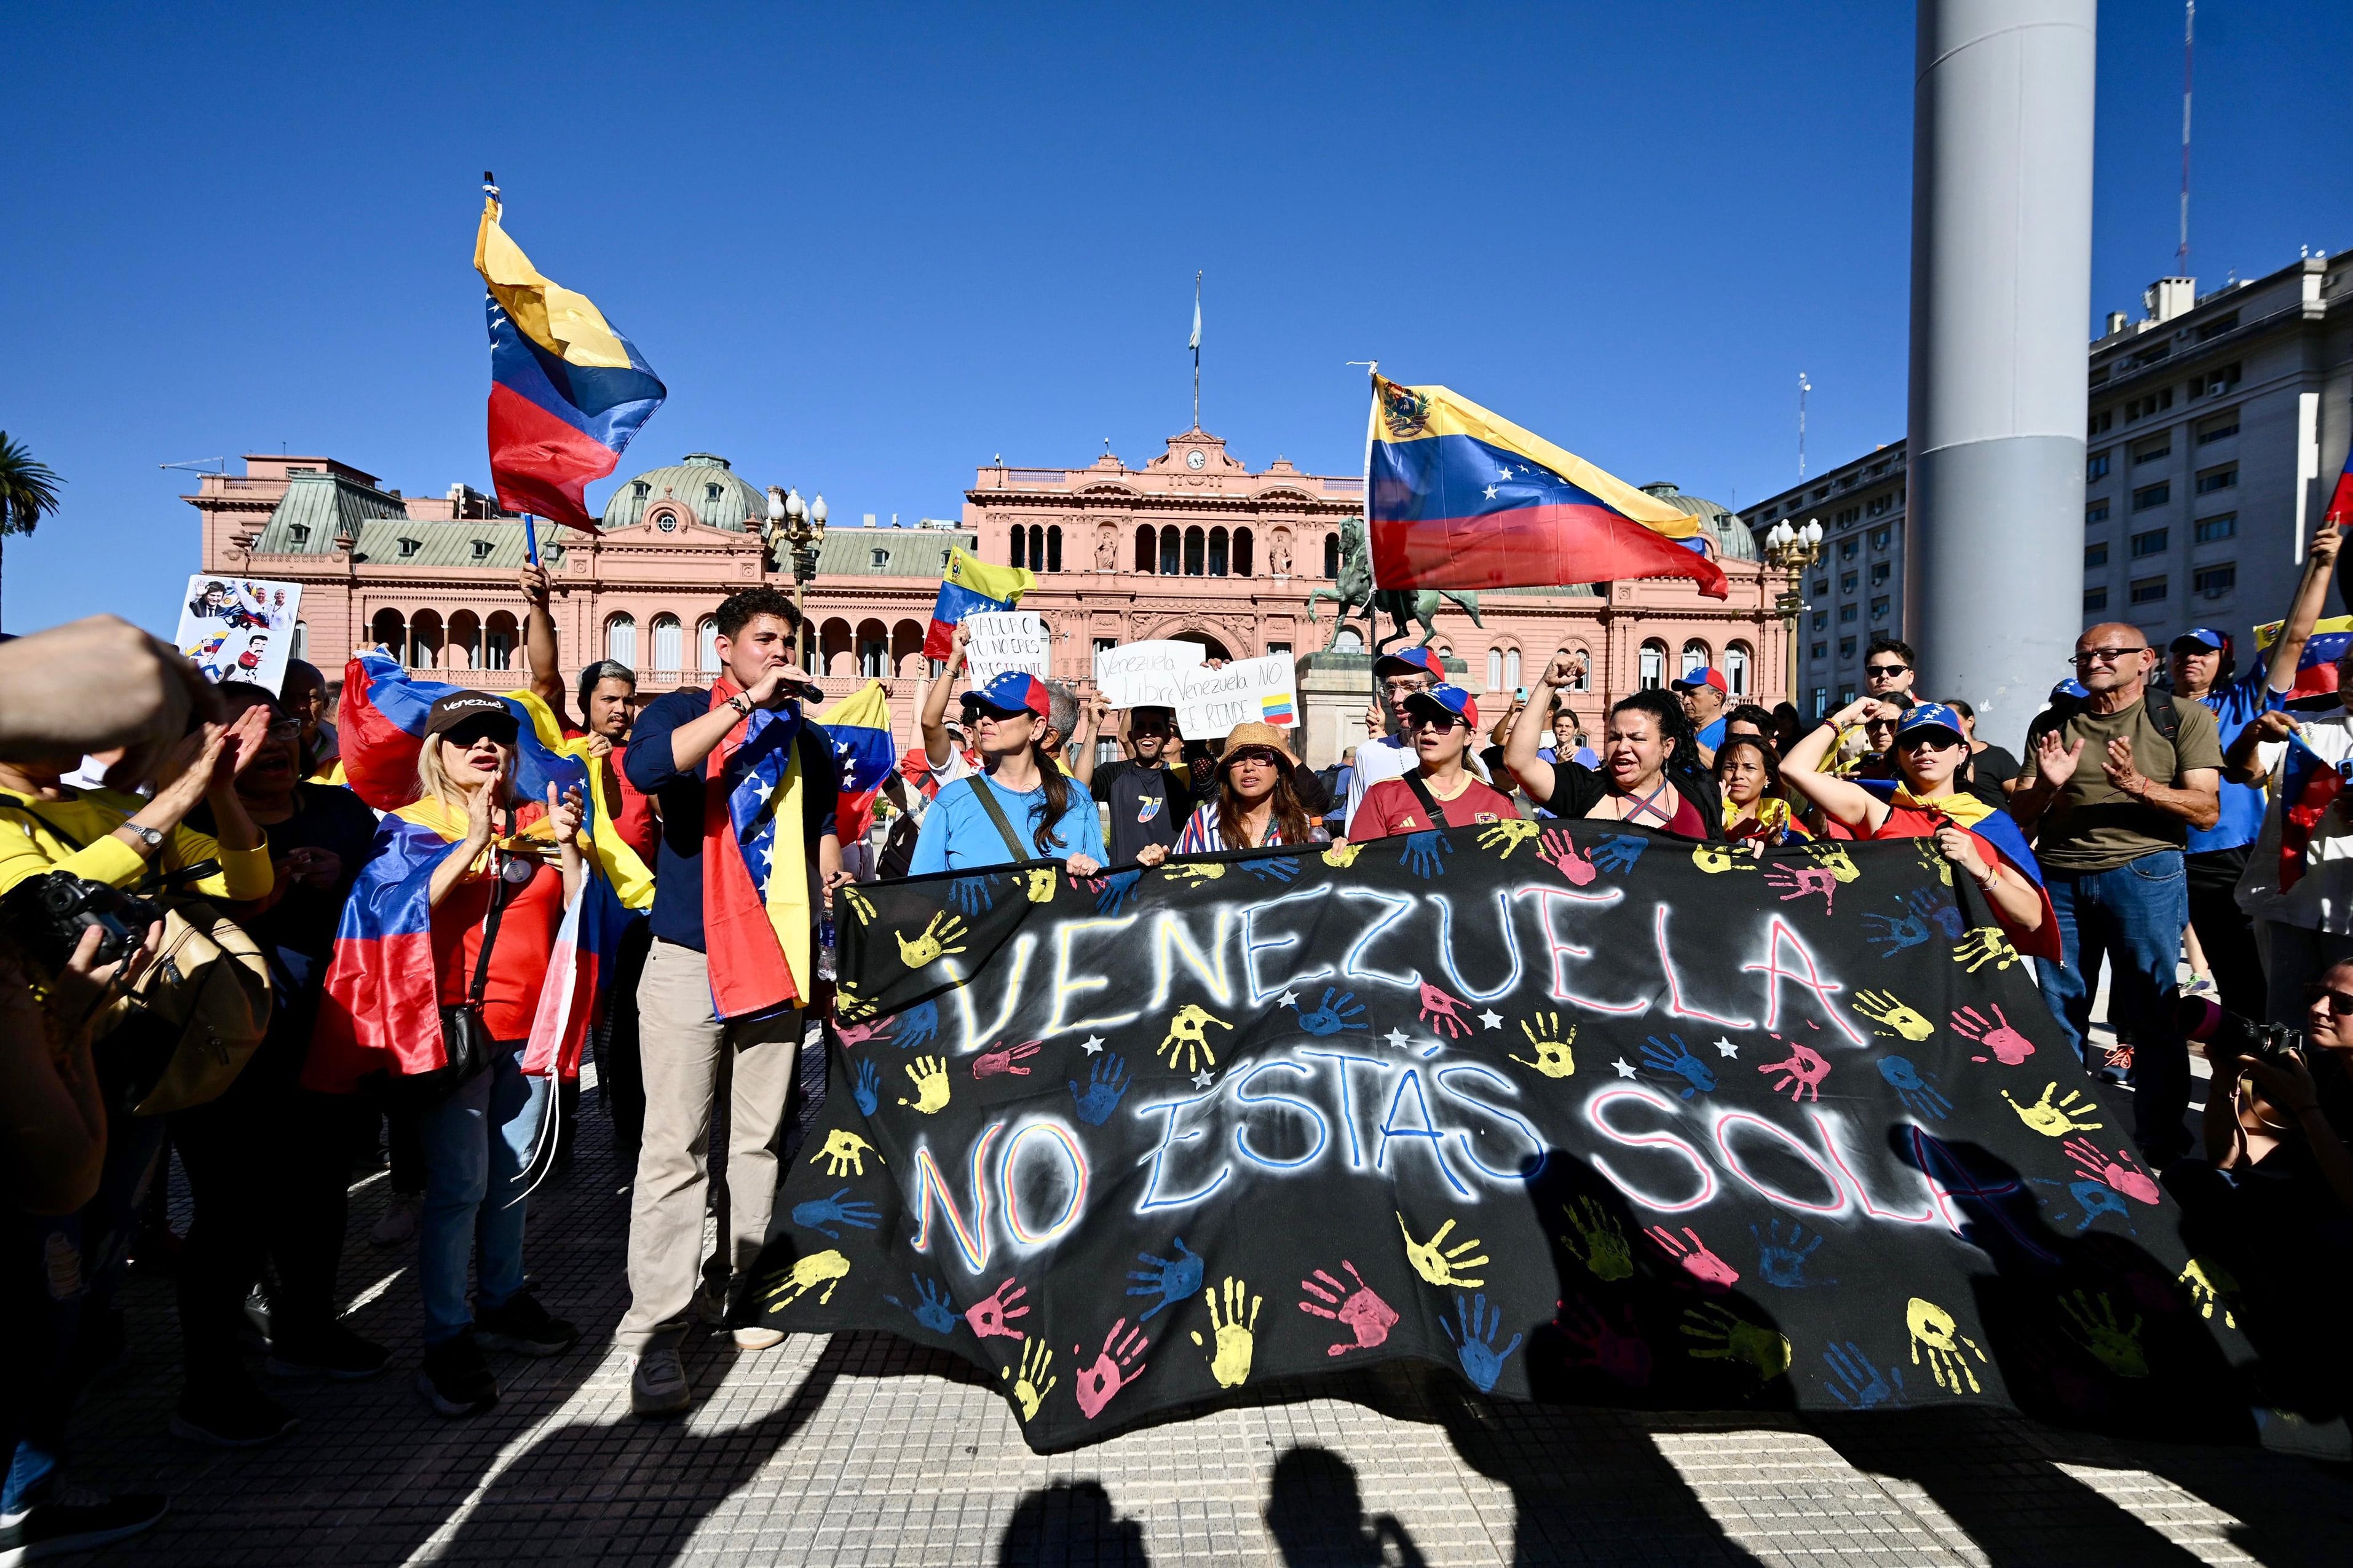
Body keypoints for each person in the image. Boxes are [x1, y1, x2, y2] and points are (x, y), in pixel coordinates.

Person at [310, 692, 587, 1417]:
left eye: (497, 734)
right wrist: (469, 837)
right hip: (450, 1034)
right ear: (438, 752)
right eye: (466, 737)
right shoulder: (408, 828)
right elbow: (396, 914)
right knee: (459, 1188)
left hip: (529, 1029)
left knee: (512, 1179)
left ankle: (501, 1299)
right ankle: (446, 1335)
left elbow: (572, 912)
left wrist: (566, 847)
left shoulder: (533, 821)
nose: (485, 746)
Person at [617, 588, 840, 1417]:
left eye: (787, 641)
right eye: (764, 639)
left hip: (773, 959)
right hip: (687, 955)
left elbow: (820, 825)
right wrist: (744, 708)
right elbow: (646, 772)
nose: (778, 653)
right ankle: (656, 1333)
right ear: (724, 646)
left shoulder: (807, 741)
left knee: (755, 1143)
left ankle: (740, 1286)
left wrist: (831, 872)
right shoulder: (676, 710)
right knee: (673, 1147)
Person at [165, 683, 389, 1446]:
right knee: (231, 1212)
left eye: (288, 724)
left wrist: (347, 877)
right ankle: (210, 1382)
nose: (277, 744)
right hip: (220, 1049)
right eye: (250, 732)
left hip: (324, 1038)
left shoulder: (342, 814)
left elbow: (394, 901)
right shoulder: (183, 820)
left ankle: (308, 1329)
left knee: (321, 1193)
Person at [2011, 624, 2222, 1165]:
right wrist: (2046, 787)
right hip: (2058, 876)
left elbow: (2205, 810)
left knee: (2153, 1012)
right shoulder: (2052, 723)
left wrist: (2140, 786)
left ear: (2145, 659)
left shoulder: (2182, 717)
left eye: (2109, 653)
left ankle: (2160, 1145)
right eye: (2083, 655)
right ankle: (2058, 1140)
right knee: (2059, 1010)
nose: (2094, 662)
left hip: (2144, 872)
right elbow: (2021, 820)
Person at [2178, 521, 2340, 1020]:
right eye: (2182, 650)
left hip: (2237, 854)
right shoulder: (2154, 710)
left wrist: (2321, 565)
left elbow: (2294, 636)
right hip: (2169, 854)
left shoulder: (2244, 699)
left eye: (2204, 652)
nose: (2191, 659)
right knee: (2179, 968)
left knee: (2261, 973)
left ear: (2222, 661)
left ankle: (2270, 1069)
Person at [1780, 701, 2052, 942]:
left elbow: (2031, 918)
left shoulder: (1991, 823)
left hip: (1971, 972)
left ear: (1962, 753)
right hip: (1896, 963)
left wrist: (1980, 869)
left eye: (1939, 741)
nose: (1925, 748)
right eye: (1911, 742)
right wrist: (1847, 716)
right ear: (1898, 755)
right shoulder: (1876, 809)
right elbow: (1791, 768)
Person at [2226, 644, 2353, 1025]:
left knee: (2345, 1032)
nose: (2350, 675)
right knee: (2288, 1027)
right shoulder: (2305, 727)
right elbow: (2242, 774)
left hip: (2347, 914)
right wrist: (2251, 736)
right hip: (2289, 904)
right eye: (2347, 664)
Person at [1504, 655, 1722, 840]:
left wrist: (1753, 849)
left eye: (1637, 738)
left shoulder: (1699, 792)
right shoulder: (1582, 789)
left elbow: (1722, 860)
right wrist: (1547, 686)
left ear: (1667, 747)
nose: (1623, 747)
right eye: (1614, 737)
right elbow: (1519, 761)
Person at [908, 672, 1105, 875]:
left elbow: (1105, 888)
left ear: (1037, 728)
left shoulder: (1076, 797)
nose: (985, 719)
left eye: (1001, 711)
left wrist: (1089, 869)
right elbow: (921, 893)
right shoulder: (951, 800)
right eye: (983, 711)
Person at [1343, 647, 1493, 834]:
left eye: (1410, 687)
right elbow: (1356, 837)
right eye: (1390, 688)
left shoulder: (1475, 765)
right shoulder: (1370, 754)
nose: (1397, 699)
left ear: (1437, 689)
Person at [1348, 685, 1519, 838]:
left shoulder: (1499, 802)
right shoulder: (1382, 796)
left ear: (1469, 736)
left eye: (1443, 721)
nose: (1428, 729)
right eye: (1419, 721)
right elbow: (1361, 867)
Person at [1150, 723, 1324, 857]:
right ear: (1227, 770)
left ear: (1279, 769)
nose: (1249, 767)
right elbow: (1179, 882)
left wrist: (1339, 857)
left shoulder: (1303, 826)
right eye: (1238, 758)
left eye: (1261, 757)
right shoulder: (1203, 823)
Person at [1075, 701, 1195, 867]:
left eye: (1156, 727)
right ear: (1131, 736)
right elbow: (1079, 789)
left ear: (1167, 737)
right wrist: (1093, 727)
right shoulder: (1115, 773)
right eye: (1140, 727)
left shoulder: (1182, 778)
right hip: (1126, 886)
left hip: (1171, 886)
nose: (1147, 734)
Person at [1715, 735, 1809, 846]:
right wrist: (1713, 822)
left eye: (1749, 768)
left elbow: (1810, 849)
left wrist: (1778, 842)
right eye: (1730, 767)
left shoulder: (1777, 814)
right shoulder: (1704, 810)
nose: (1738, 775)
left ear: (1767, 778)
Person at [1942, 699, 2018, 805]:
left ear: (1970, 722)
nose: (1945, 721)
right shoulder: (1940, 759)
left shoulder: (1996, 755)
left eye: (1951, 716)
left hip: (1993, 819)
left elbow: (2017, 793)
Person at [1671, 666, 1731, 762]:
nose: (1685, 701)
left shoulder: (1728, 732)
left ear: (1717, 698)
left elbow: (1728, 768)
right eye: (1684, 695)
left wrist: (1687, 740)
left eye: (1692, 694)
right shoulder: (1680, 729)